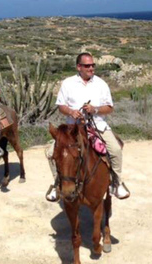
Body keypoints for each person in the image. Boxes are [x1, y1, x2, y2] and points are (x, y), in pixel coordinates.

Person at [45, 52, 130, 202]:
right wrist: (71, 112)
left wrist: (95, 109)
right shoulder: (68, 83)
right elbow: (61, 105)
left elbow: (109, 108)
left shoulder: (101, 84)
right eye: (87, 65)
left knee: (115, 150)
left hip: (97, 125)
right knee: (51, 151)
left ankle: (117, 182)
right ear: (79, 67)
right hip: (73, 128)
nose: (91, 68)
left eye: (93, 65)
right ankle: (57, 183)